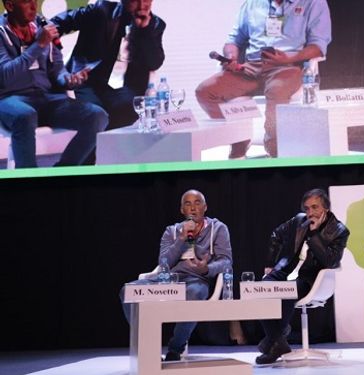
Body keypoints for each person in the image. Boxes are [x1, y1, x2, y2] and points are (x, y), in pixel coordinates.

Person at [195, 0, 332, 159]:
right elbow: (233, 40)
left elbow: (318, 46)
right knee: (205, 91)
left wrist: (288, 58)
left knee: (276, 89)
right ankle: (240, 137)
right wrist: (230, 57)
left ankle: (273, 149)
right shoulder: (252, 3)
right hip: (251, 67)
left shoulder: (313, 3)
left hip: (287, 66)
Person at [120, 189, 232, 362]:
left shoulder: (218, 229)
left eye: (197, 203)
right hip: (168, 280)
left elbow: (226, 261)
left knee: (195, 293)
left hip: (196, 279)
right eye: (188, 204)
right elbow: (164, 263)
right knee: (127, 291)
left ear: (205, 207)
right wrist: (181, 238)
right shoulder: (171, 231)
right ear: (182, 210)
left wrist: (206, 269)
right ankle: (148, 345)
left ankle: (175, 348)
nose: (193, 208)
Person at [0, 0, 108, 168]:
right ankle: (29, 182)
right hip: (10, 100)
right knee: (25, 115)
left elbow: (57, 70)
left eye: (34, 0)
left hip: (45, 99)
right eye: (26, 2)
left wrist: (69, 80)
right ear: (10, 6)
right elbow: (5, 76)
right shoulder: (1, 33)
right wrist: (39, 45)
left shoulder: (42, 27)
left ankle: (61, 173)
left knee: (97, 116)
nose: (33, 6)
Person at [255, 188, 349, 364]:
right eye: (307, 208)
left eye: (315, 207)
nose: (310, 213)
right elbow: (276, 235)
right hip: (286, 271)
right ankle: (278, 340)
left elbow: (330, 261)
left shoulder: (339, 230)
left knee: (288, 291)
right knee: (259, 289)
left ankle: (272, 342)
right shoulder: (299, 221)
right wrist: (270, 263)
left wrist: (314, 235)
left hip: (311, 280)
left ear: (326, 208)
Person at [51, 0, 165, 130]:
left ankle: (105, 146)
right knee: (95, 113)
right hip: (89, 80)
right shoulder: (102, 10)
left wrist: (145, 30)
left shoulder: (155, 25)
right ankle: (95, 147)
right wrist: (52, 55)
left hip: (125, 86)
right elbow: (56, 24)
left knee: (129, 108)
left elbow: (154, 62)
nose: (141, 5)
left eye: (146, 0)